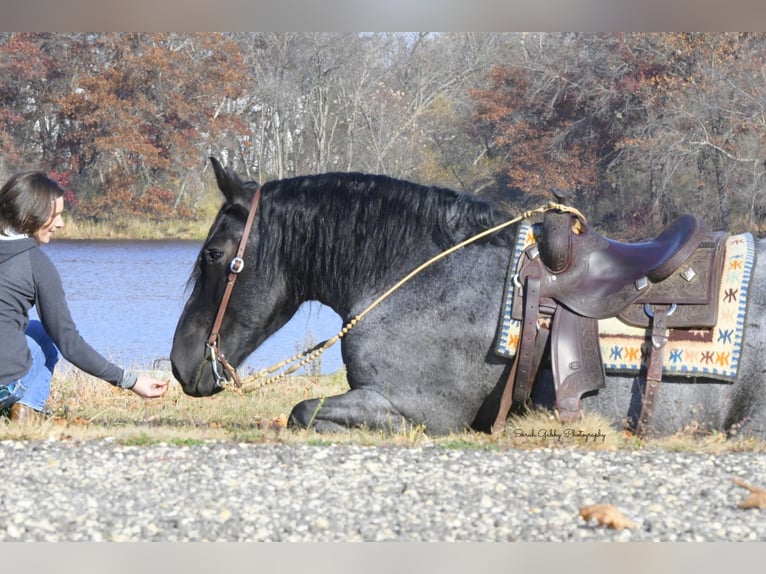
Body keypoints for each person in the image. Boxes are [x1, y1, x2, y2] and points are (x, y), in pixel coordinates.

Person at [0, 170, 168, 422]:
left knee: (32, 328)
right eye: (54, 215)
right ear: (30, 214)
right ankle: (26, 407)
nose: (60, 224)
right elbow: (69, 343)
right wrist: (131, 381)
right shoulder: (35, 263)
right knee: (47, 334)